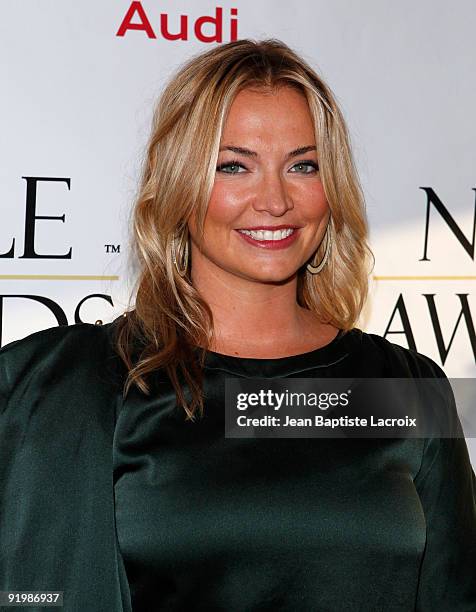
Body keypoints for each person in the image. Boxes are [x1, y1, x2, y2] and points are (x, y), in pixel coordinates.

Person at [0, 38, 475, 612]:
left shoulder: (405, 388)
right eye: (234, 166)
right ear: (179, 183)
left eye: (303, 165)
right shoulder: (72, 385)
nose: (274, 200)